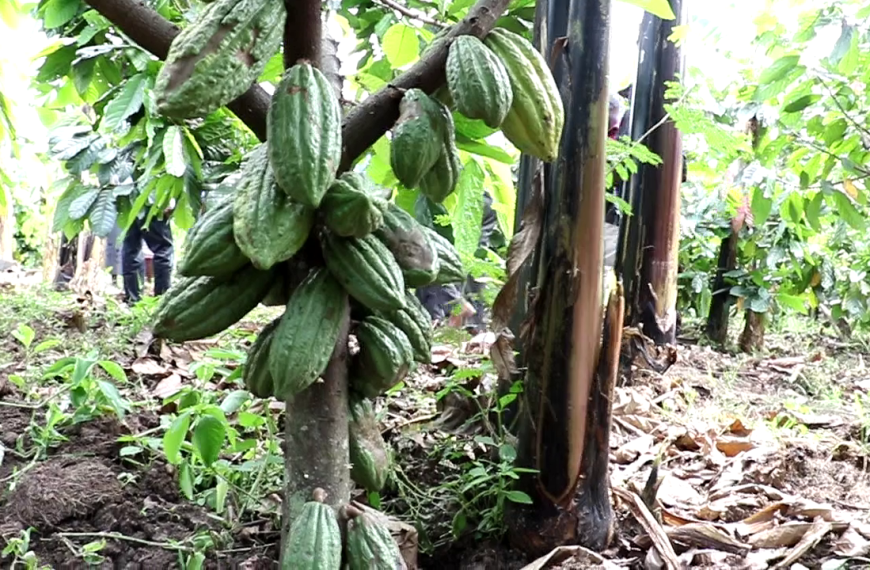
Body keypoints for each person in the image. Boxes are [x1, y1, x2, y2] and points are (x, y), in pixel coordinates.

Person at [416, 191, 499, 332]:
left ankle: (453, 311)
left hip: (445, 192)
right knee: (470, 256)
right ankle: (472, 326)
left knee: (429, 249)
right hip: (478, 191)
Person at [121, 189, 175, 305]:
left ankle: (133, 299)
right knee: (163, 248)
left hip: (127, 197)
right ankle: (161, 301)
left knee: (131, 249)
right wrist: (170, 201)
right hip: (150, 198)